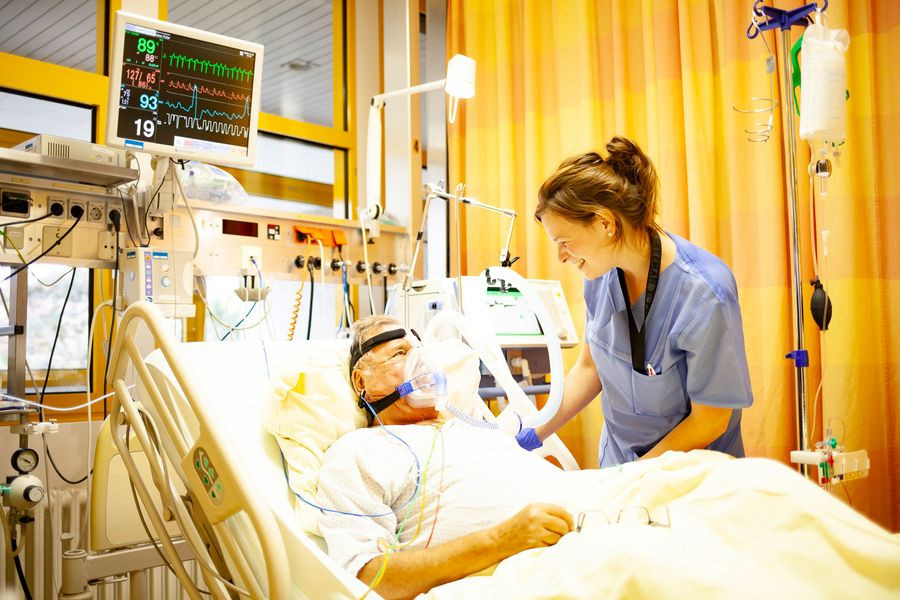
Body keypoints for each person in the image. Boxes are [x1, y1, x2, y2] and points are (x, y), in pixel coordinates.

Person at [517, 136, 753, 467]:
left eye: (565, 241)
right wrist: (531, 434)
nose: (561, 256)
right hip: (620, 463)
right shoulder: (600, 275)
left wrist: (634, 476)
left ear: (605, 223)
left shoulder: (704, 293)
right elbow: (589, 368)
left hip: (690, 474)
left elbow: (710, 421)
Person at [316, 315, 575, 600]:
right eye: (400, 353)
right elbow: (369, 578)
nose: (421, 363)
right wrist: (501, 540)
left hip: (589, 511)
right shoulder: (359, 452)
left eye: (421, 352)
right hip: (540, 566)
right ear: (360, 380)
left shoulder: (473, 429)